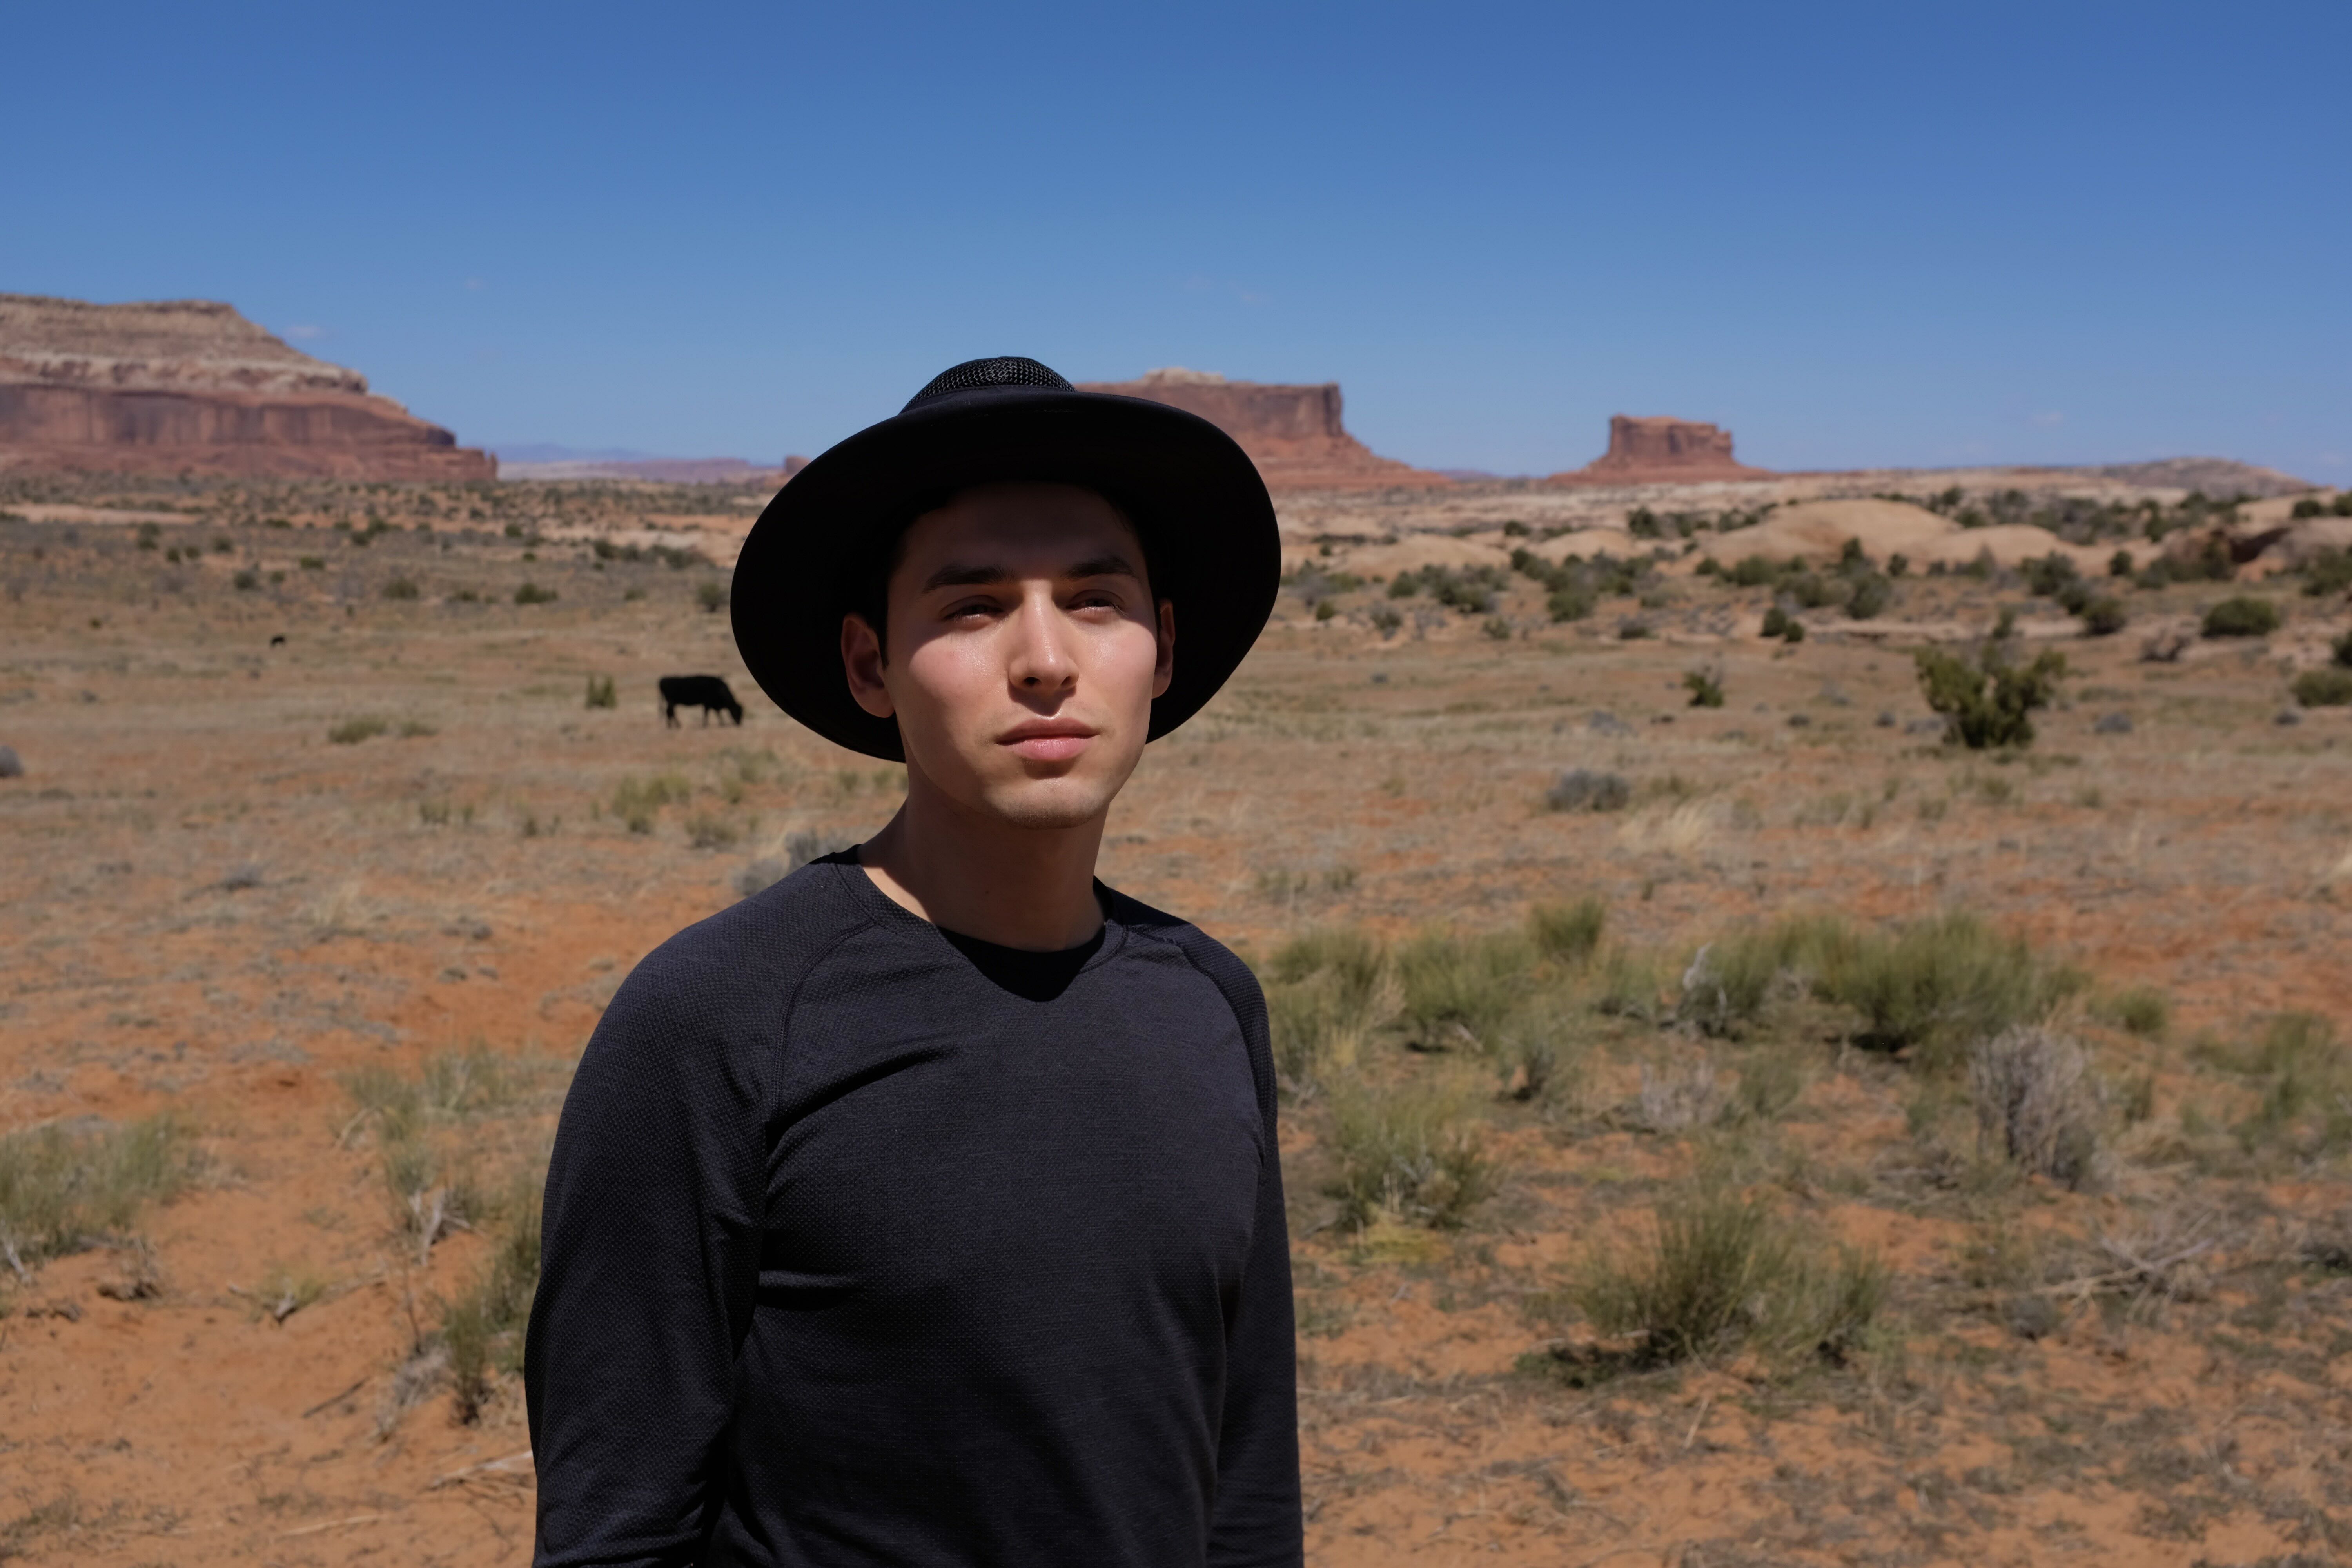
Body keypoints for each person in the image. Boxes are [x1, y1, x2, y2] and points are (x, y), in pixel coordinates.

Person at [525, 357, 1299, 1568]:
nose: (1044, 659)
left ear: (1163, 649)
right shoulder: (715, 1023)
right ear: (869, 665)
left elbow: (1247, 1481)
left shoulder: (1209, 1001)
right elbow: (616, 1533)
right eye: (972, 607)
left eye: (1096, 600)